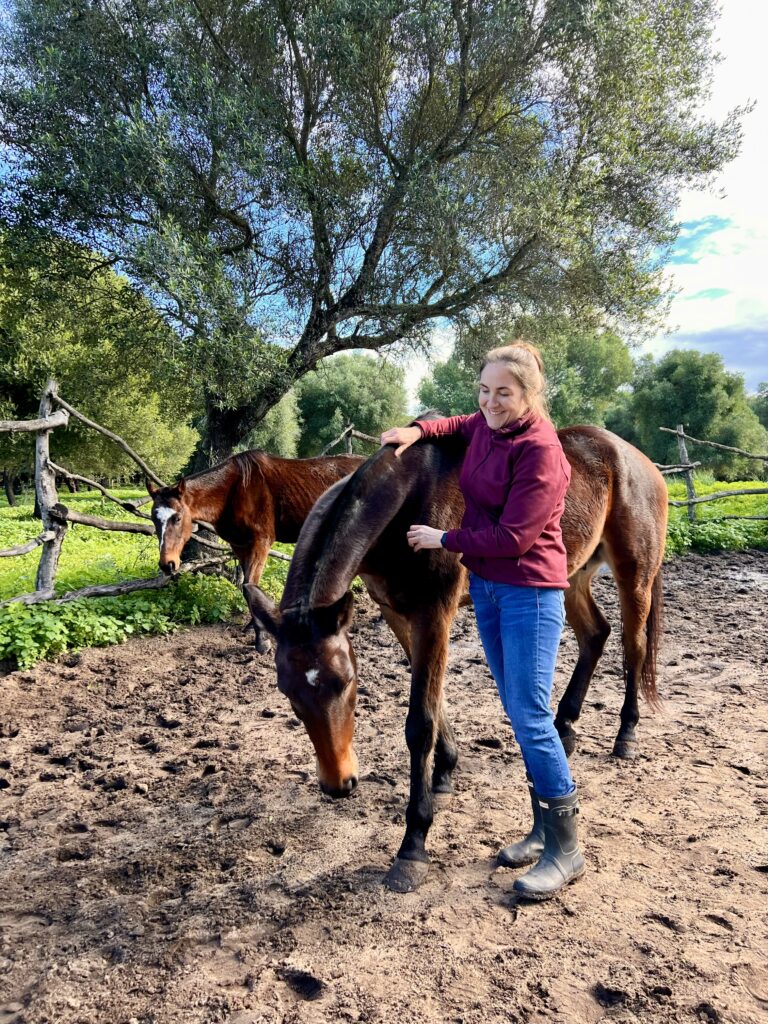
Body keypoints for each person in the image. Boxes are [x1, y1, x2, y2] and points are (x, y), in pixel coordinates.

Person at [380, 342, 584, 900]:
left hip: (530, 590)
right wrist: (416, 430)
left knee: (530, 714)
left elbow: (516, 538)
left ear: (529, 395)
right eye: (485, 391)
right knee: (520, 711)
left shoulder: (541, 450)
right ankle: (543, 829)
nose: (491, 402)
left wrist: (442, 538)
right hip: (491, 588)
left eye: (505, 393)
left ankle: (567, 847)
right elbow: (456, 422)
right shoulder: (489, 426)